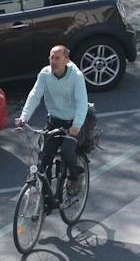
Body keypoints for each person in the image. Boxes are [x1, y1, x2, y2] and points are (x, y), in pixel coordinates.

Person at [15, 44, 93, 196]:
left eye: (57, 58)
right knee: (44, 159)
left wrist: (76, 125)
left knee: (66, 152)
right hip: (54, 121)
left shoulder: (76, 76)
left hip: (74, 123)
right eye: (51, 58)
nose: (53, 61)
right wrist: (24, 117)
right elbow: (34, 96)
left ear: (66, 60)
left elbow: (82, 103)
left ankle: (76, 176)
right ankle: (45, 198)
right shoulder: (45, 74)